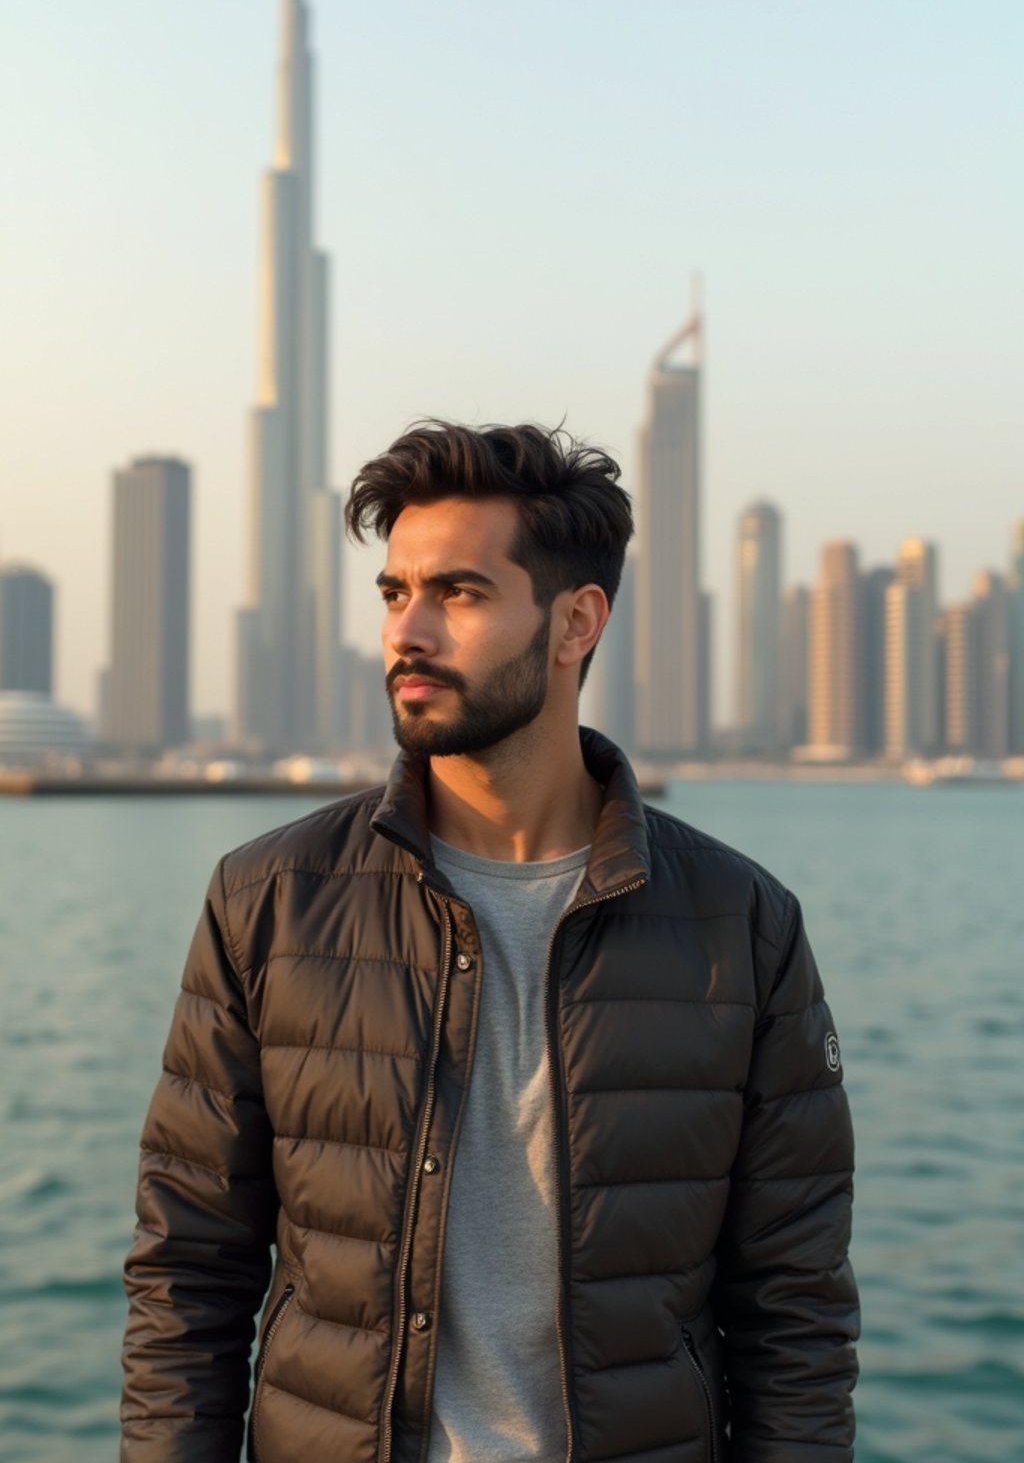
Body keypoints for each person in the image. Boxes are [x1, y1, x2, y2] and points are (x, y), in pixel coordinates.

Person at [121, 420, 858, 1463]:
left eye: (457, 594)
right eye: (392, 593)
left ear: (574, 622)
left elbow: (794, 1318)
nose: (405, 633)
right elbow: (187, 1276)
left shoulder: (742, 928)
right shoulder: (269, 902)